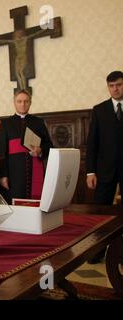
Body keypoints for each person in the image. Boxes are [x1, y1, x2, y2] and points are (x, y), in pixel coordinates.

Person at [86, 71, 123, 263]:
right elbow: (92, 143)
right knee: (99, 213)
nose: (115, 89)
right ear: (108, 87)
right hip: (104, 170)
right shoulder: (99, 110)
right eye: (111, 86)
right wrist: (90, 171)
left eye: (118, 84)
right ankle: (97, 251)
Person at [0, 89, 53, 203]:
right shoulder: (6, 123)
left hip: (35, 169)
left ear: (30, 103)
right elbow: (1, 152)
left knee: (36, 204)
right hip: (14, 172)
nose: (23, 104)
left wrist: (40, 149)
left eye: (26, 101)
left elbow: (49, 145)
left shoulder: (38, 122)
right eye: (19, 101)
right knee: (16, 204)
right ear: (14, 102)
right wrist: (3, 175)